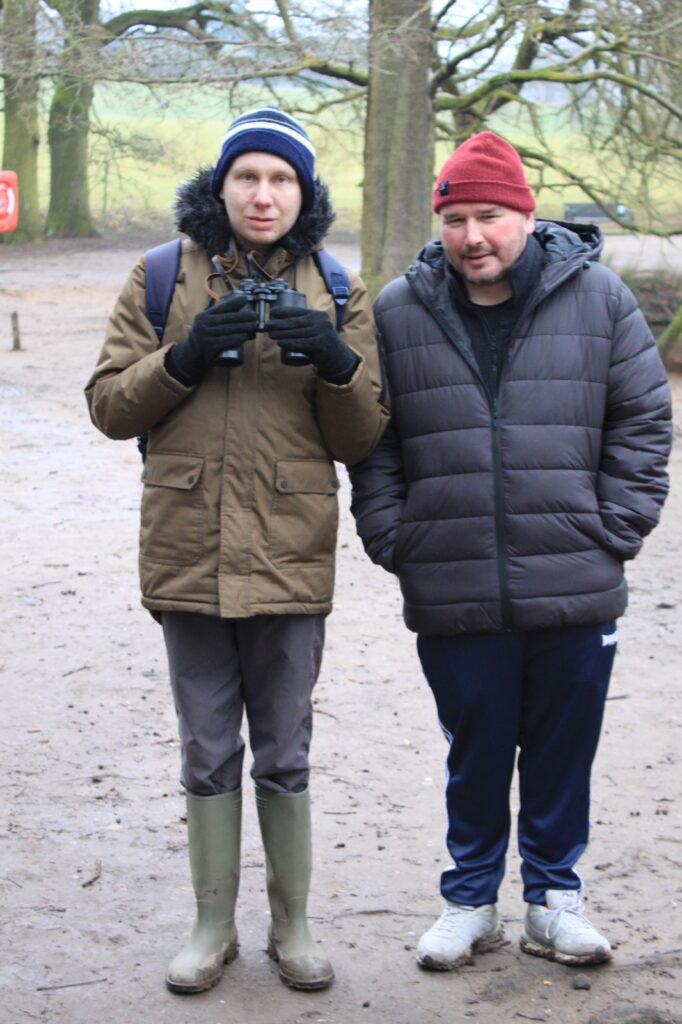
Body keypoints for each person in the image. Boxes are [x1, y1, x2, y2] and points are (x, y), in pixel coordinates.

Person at [349, 131, 672, 971]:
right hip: (451, 578)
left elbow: (642, 420)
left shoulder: (599, 299)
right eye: (455, 219)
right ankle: (470, 901)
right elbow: (373, 441)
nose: (473, 237)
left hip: (575, 575)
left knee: (565, 746)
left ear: (525, 216)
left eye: (490, 216)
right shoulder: (398, 309)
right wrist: (397, 538)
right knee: (476, 749)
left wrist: (616, 526)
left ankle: (554, 900)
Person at [85, 105, 388, 995]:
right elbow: (108, 406)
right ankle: (212, 924)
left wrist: (334, 357)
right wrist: (183, 357)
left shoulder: (339, 286)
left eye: (283, 178)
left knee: (285, 751)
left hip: (292, 556)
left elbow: (365, 434)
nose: (265, 194)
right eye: (249, 176)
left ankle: (291, 925)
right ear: (222, 186)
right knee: (207, 748)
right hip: (187, 551)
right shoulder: (156, 278)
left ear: (305, 193)